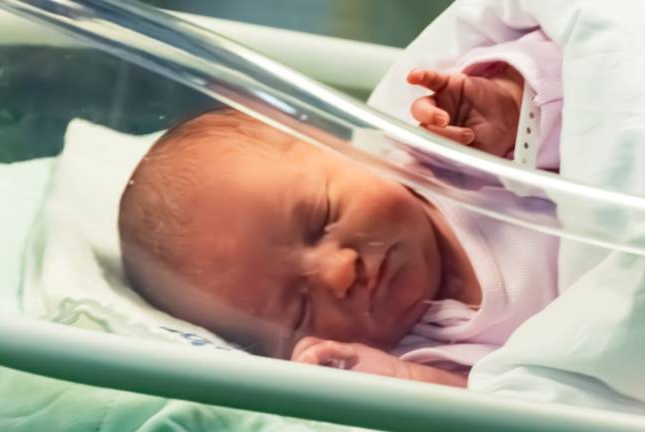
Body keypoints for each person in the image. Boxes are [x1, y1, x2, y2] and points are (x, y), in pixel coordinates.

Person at [118, 30, 562, 387]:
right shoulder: (414, 355)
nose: (339, 273)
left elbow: (586, 91)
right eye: (300, 309)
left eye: (321, 219)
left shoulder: (449, 148)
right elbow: (517, 401)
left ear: (339, 146)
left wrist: (512, 106)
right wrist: (403, 380)